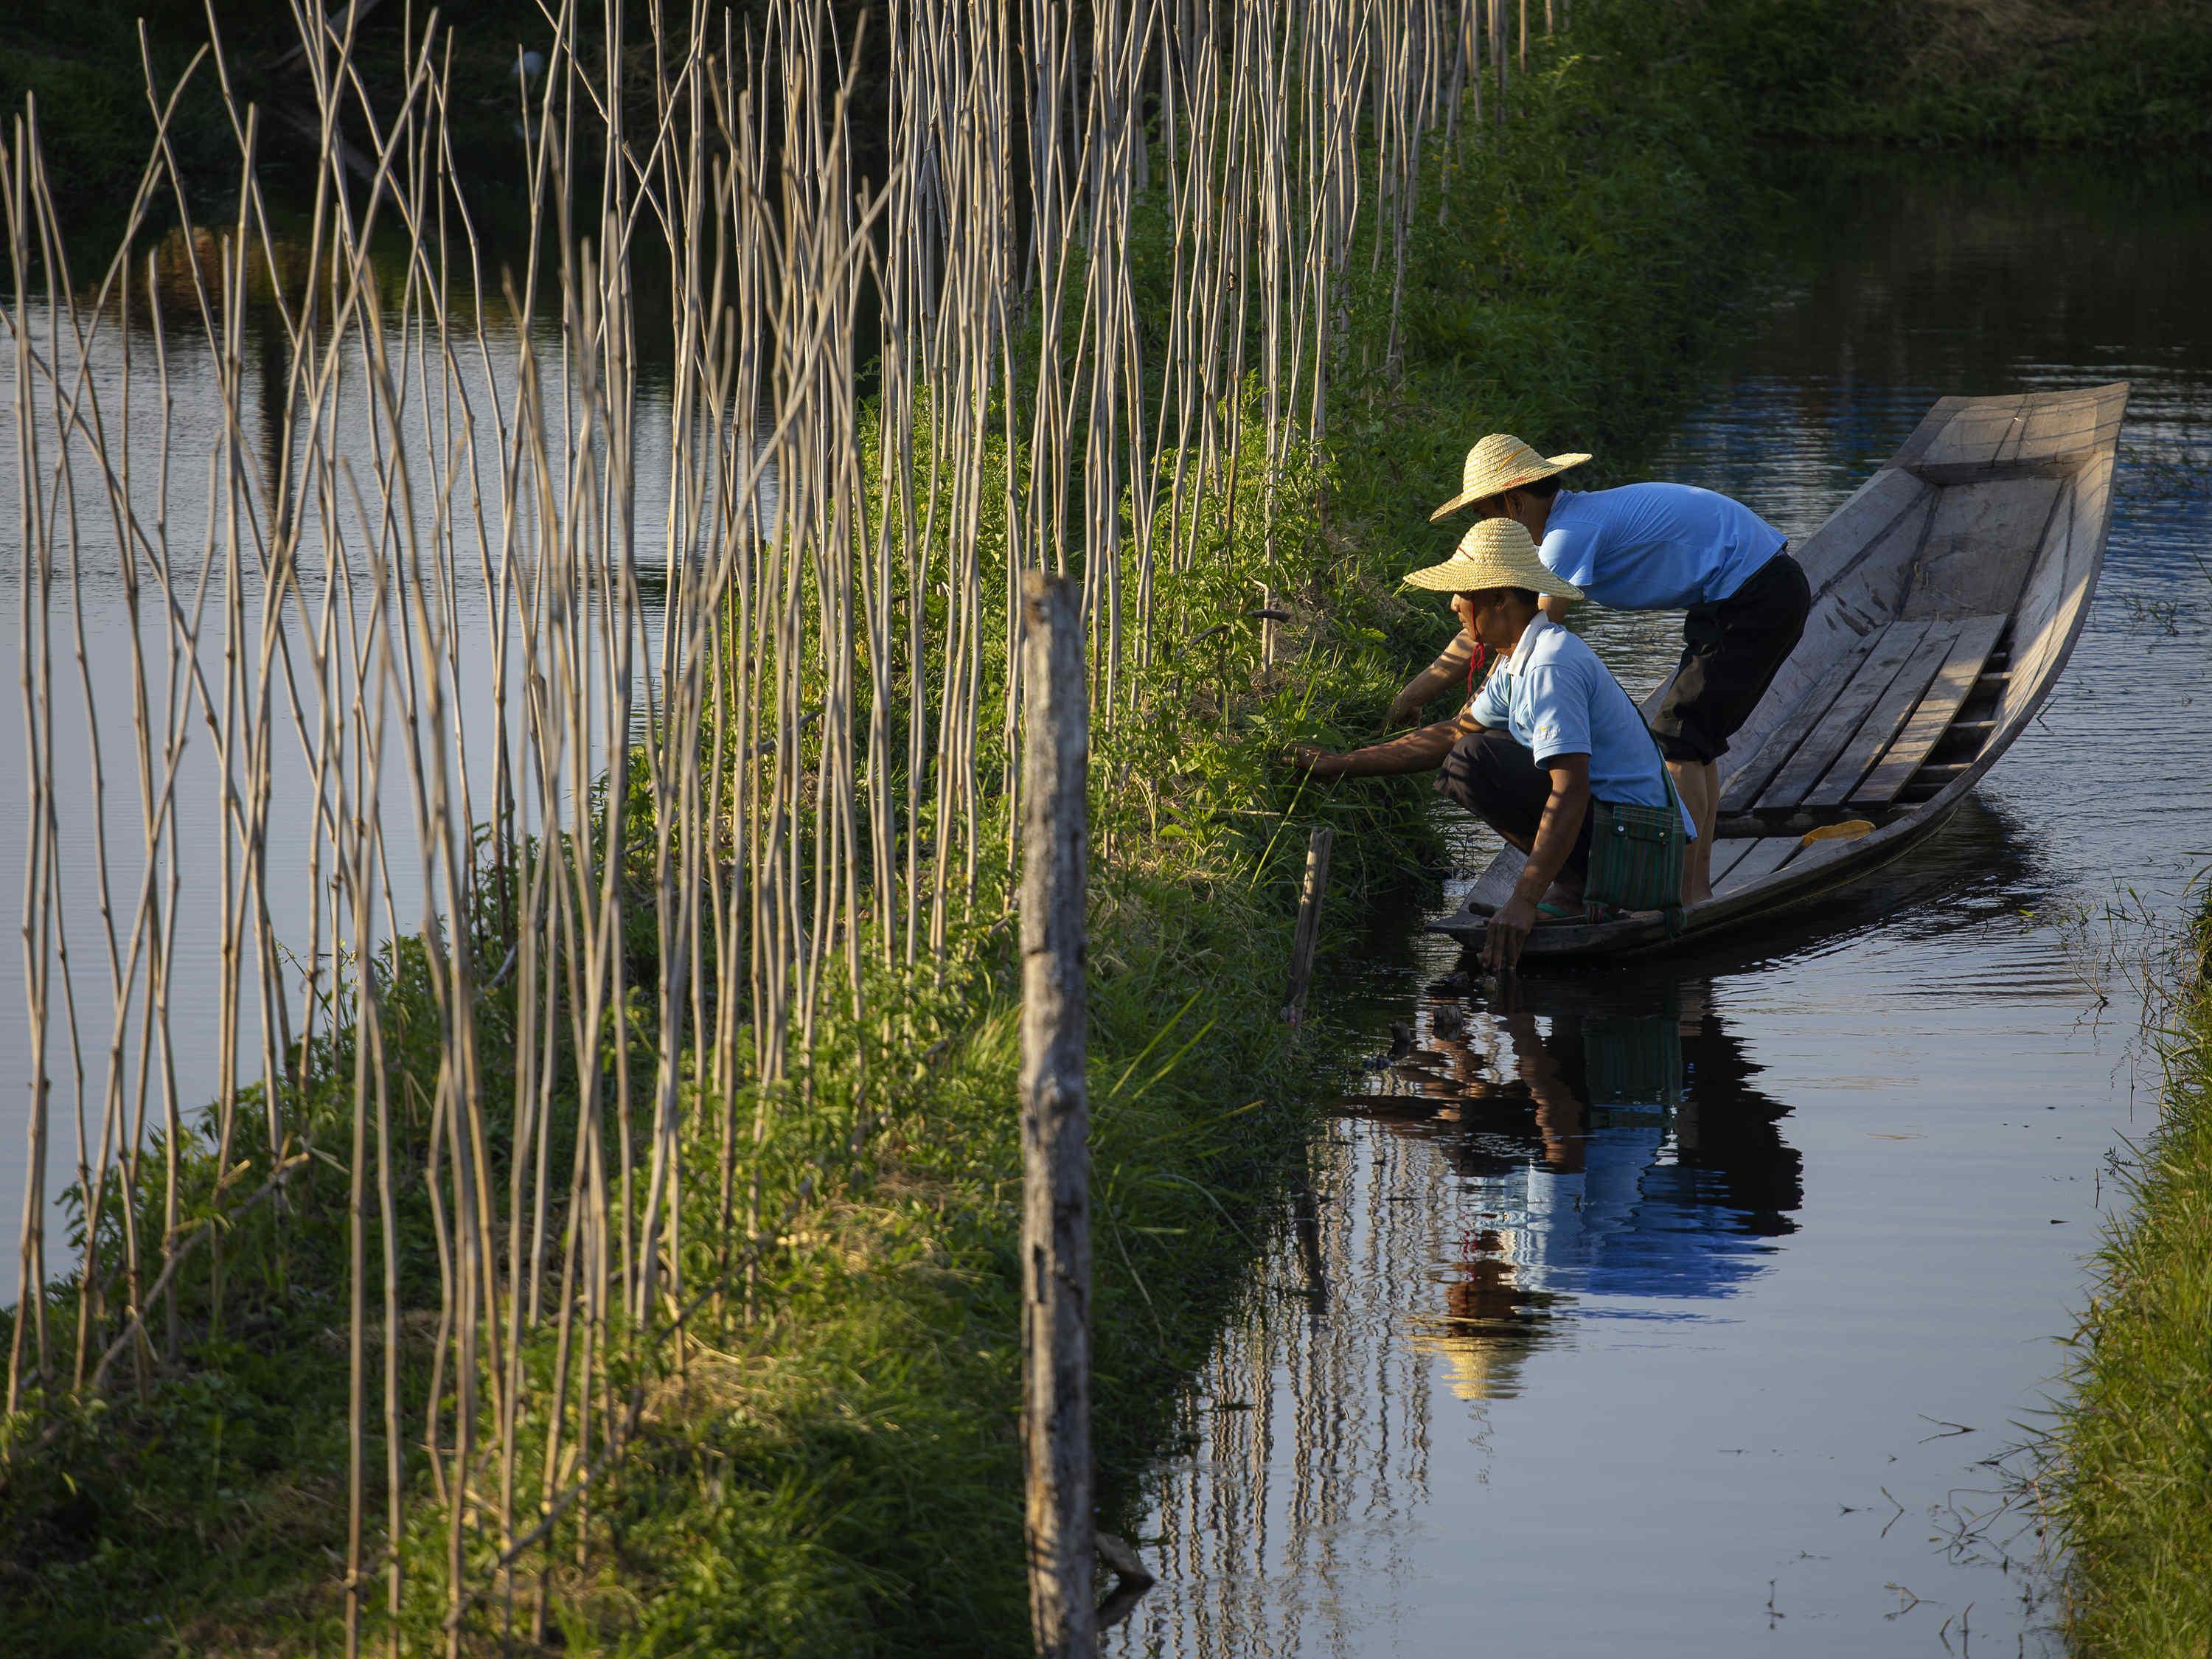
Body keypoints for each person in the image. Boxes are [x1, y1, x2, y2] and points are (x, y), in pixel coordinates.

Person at [1394, 433, 1810, 904]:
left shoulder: (1565, 536)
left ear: (1512, 504)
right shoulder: (1567, 523)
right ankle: (1694, 888)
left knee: (1680, 740)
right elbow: (1484, 629)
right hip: (1736, 593)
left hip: (1754, 593)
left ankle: (1684, 893)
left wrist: (1475, 710)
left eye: (1482, 515)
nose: (1481, 528)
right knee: (1693, 742)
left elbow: (1521, 637)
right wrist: (1413, 696)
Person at [1293, 518, 1693, 972]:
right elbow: (1453, 732)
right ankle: (1574, 884)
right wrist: (1340, 764)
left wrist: (1523, 899)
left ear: (1500, 599)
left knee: (1474, 759)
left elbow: (1571, 789)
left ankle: (1578, 891)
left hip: (1644, 849)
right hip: (1621, 836)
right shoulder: (1515, 658)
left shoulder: (1549, 666)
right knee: (1470, 753)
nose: (1453, 605)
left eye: (1463, 592)